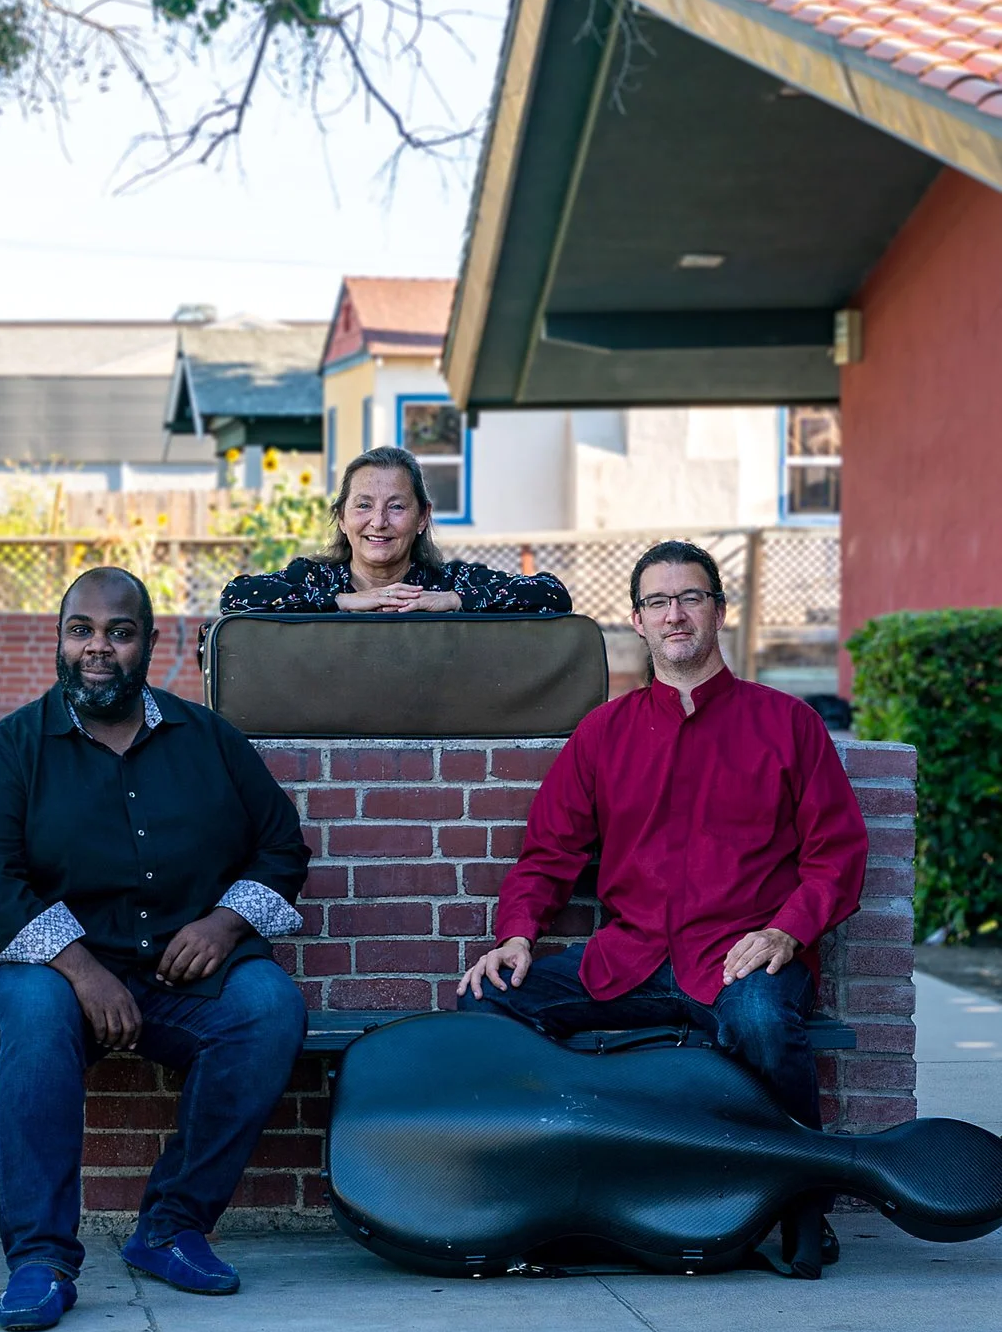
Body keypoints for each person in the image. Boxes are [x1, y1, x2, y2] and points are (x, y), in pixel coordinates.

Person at [457, 539, 867, 1278]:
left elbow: (837, 855)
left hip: (742, 959)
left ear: (717, 612)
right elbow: (547, 855)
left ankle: (800, 1208)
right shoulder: (602, 734)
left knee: (765, 1022)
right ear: (638, 623)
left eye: (690, 598)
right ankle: (563, 1193)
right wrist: (516, 935)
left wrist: (787, 929)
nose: (674, 614)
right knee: (488, 1005)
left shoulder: (787, 725)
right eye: (657, 602)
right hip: (632, 957)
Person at [0, 566, 311, 1332]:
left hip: (182, 970)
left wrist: (224, 925)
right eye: (82, 630)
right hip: (49, 966)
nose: (98, 648)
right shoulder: (15, 749)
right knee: (40, 1021)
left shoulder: (207, 739)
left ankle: (171, 1228)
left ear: (149, 641)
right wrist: (80, 969)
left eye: (119, 631)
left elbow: (281, 848)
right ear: (60, 640)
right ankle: (41, 1261)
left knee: (268, 1008)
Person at [219, 445, 571, 615]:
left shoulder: (448, 582)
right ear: (341, 517)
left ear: (422, 518)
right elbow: (235, 596)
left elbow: (553, 595)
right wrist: (342, 601)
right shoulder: (316, 580)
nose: (379, 521)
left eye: (397, 506)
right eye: (363, 505)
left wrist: (454, 601)